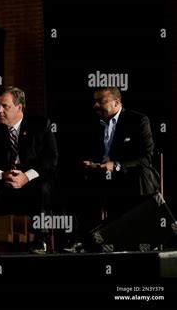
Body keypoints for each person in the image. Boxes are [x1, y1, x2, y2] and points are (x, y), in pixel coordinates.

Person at [66, 86, 160, 252]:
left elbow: (146, 157)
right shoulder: (91, 122)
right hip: (99, 174)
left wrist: (116, 165)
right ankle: (83, 240)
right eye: (94, 101)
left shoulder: (138, 120)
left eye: (101, 101)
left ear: (117, 102)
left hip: (127, 174)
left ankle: (140, 239)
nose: (95, 106)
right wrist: (89, 163)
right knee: (74, 180)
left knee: (140, 176)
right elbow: (82, 151)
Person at [0, 86, 58, 255]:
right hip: (2, 187)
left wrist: (26, 176)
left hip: (31, 185)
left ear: (19, 107)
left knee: (45, 186)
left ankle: (40, 240)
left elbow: (50, 161)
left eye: (5, 106)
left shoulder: (41, 125)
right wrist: (1, 175)